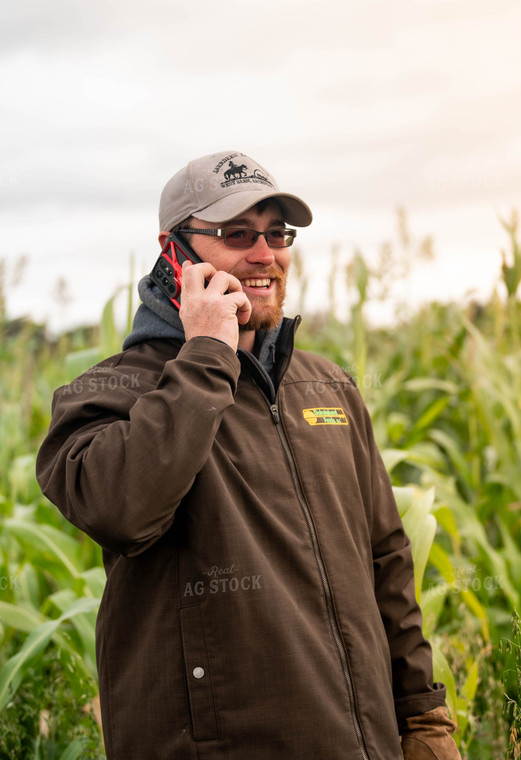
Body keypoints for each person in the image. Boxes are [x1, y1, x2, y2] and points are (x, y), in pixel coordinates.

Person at [36, 150, 462, 760]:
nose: (265, 255)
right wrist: (209, 351)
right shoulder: (110, 394)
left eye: (277, 233)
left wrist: (423, 718)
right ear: (173, 251)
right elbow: (119, 509)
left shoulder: (328, 387)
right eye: (236, 234)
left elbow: (387, 560)